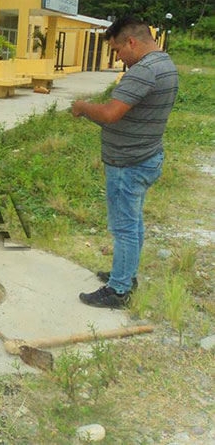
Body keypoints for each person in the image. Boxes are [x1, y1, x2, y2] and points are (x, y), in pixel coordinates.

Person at [72, 16, 178, 308]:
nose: (117, 57)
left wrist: (82, 107)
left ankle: (119, 290)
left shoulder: (143, 71)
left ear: (131, 42)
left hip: (128, 163)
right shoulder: (165, 63)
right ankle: (126, 274)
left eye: (117, 50)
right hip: (146, 155)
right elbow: (130, 117)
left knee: (124, 227)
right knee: (133, 222)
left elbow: (110, 114)